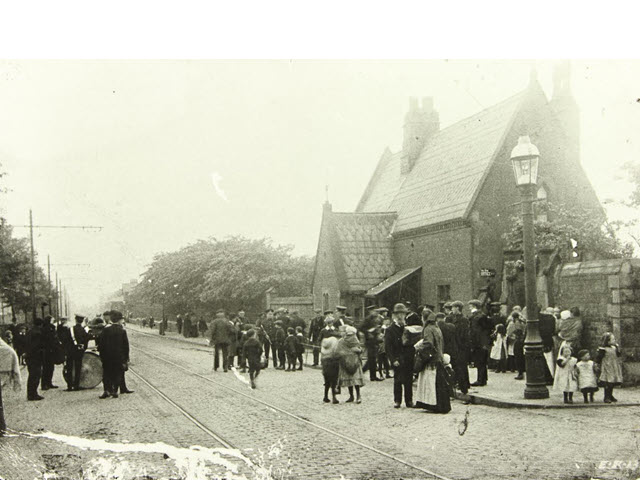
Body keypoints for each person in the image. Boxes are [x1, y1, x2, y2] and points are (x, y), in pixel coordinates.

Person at [414, 309, 451, 414]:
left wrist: (418, 347)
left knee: (430, 383)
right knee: (438, 383)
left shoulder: (428, 329)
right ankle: (442, 405)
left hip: (430, 360)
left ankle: (432, 404)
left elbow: (428, 343)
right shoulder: (437, 328)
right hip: (438, 358)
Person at [385, 303, 414, 408]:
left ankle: (409, 400)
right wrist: (393, 360)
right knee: (398, 380)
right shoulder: (390, 330)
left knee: (409, 380)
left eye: (403, 314)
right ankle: (397, 400)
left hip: (408, 358)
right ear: (394, 316)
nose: (401, 316)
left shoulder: (408, 328)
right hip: (397, 358)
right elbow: (388, 347)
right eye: (399, 314)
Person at [97, 310, 130, 399]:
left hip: (107, 357)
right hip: (118, 357)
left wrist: (101, 355)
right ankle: (115, 390)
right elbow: (126, 346)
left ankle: (106, 390)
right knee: (117, 373)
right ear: (119, 320)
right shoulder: (122, 330)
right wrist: (126, 358)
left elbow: (101, 344)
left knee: (106, 373)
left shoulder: (106, 329)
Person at [337, 325, 364, 403]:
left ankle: (356, 396)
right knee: (352, 380)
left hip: (351, 362)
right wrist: (356, 351)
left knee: (353, 380)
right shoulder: (342, 341)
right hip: (350, 362)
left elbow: (359, 349)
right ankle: (353, 396)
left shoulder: (344, 341)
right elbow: (339, 351)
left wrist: (359, 351)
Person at [468, 299, 492, 387]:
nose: (469, 307)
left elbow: (482, 331)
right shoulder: (479, 316)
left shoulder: (479, 317)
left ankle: (480, 380)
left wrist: (482, 343)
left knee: (480, 361)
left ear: (474, 306)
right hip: (480, 342)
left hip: (479, 343)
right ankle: (483, 379)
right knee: (481, 361)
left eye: (470, 306)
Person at [449, 301, 470, 394]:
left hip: (461, 346)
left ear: (458, 308)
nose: (452, 309)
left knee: (462, 366)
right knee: (458, 366)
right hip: (456, 346)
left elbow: (463, 334)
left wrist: (461, 345)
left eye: (453, 307)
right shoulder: (453, 318)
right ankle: (461, 384)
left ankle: (465, 385)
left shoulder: (463, 320)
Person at [596, 332, 623, 403]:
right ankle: (606, 396)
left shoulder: (614, 348)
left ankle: (610, 395)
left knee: (612, 381)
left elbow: (618, 355)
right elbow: (599, 358)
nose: (614, 341)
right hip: (607, 366)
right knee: (608, 382)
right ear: (607, 341)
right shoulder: (603, 349)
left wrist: (618, 348)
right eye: (612, 339)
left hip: (614, 366)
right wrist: (597, 364)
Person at [360, 307, 383, 381]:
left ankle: (369, 375)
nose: (376, 312)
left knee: (372, 359)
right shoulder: (367, 319)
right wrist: (368, 332)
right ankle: (370, 375)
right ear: (370, 311)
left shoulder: (376, 318)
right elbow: (361, 328)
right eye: (374, 311)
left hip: (375, 340)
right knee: (371, 359)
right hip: (369, 341)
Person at [41, 316, 59, 390]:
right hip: (47, 350)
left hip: (51, 350)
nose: (53, 321)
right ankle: (44, 384)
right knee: (46, 368)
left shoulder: (52, 328)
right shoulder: (45, 329)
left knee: (51, 367)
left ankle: (49, 382)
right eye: (52, 320)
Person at [320, 334, 340, 404]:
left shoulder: (324, 346)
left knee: (327, 382)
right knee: (333, 382)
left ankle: (325, 396)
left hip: (325, 367)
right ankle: (334, 397)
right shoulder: (333, 346)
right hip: (333, 365)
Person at [377, 315, 391, 379]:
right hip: (380, 347)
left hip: (385, 347)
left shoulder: (388, 328)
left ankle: (387, 373)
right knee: (380, 362)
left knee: (386, 361)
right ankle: (381, 375)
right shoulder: (382, 328)